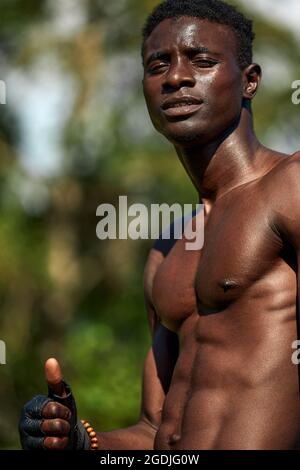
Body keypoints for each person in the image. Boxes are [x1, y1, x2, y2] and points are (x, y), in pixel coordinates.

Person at [19, 0, 300, 450]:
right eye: (158, 66)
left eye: (202, 61)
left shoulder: (291, 185)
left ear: (250, 81)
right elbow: (154, 431)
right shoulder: (167, 248)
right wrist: (78, 441)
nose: (176, 78)